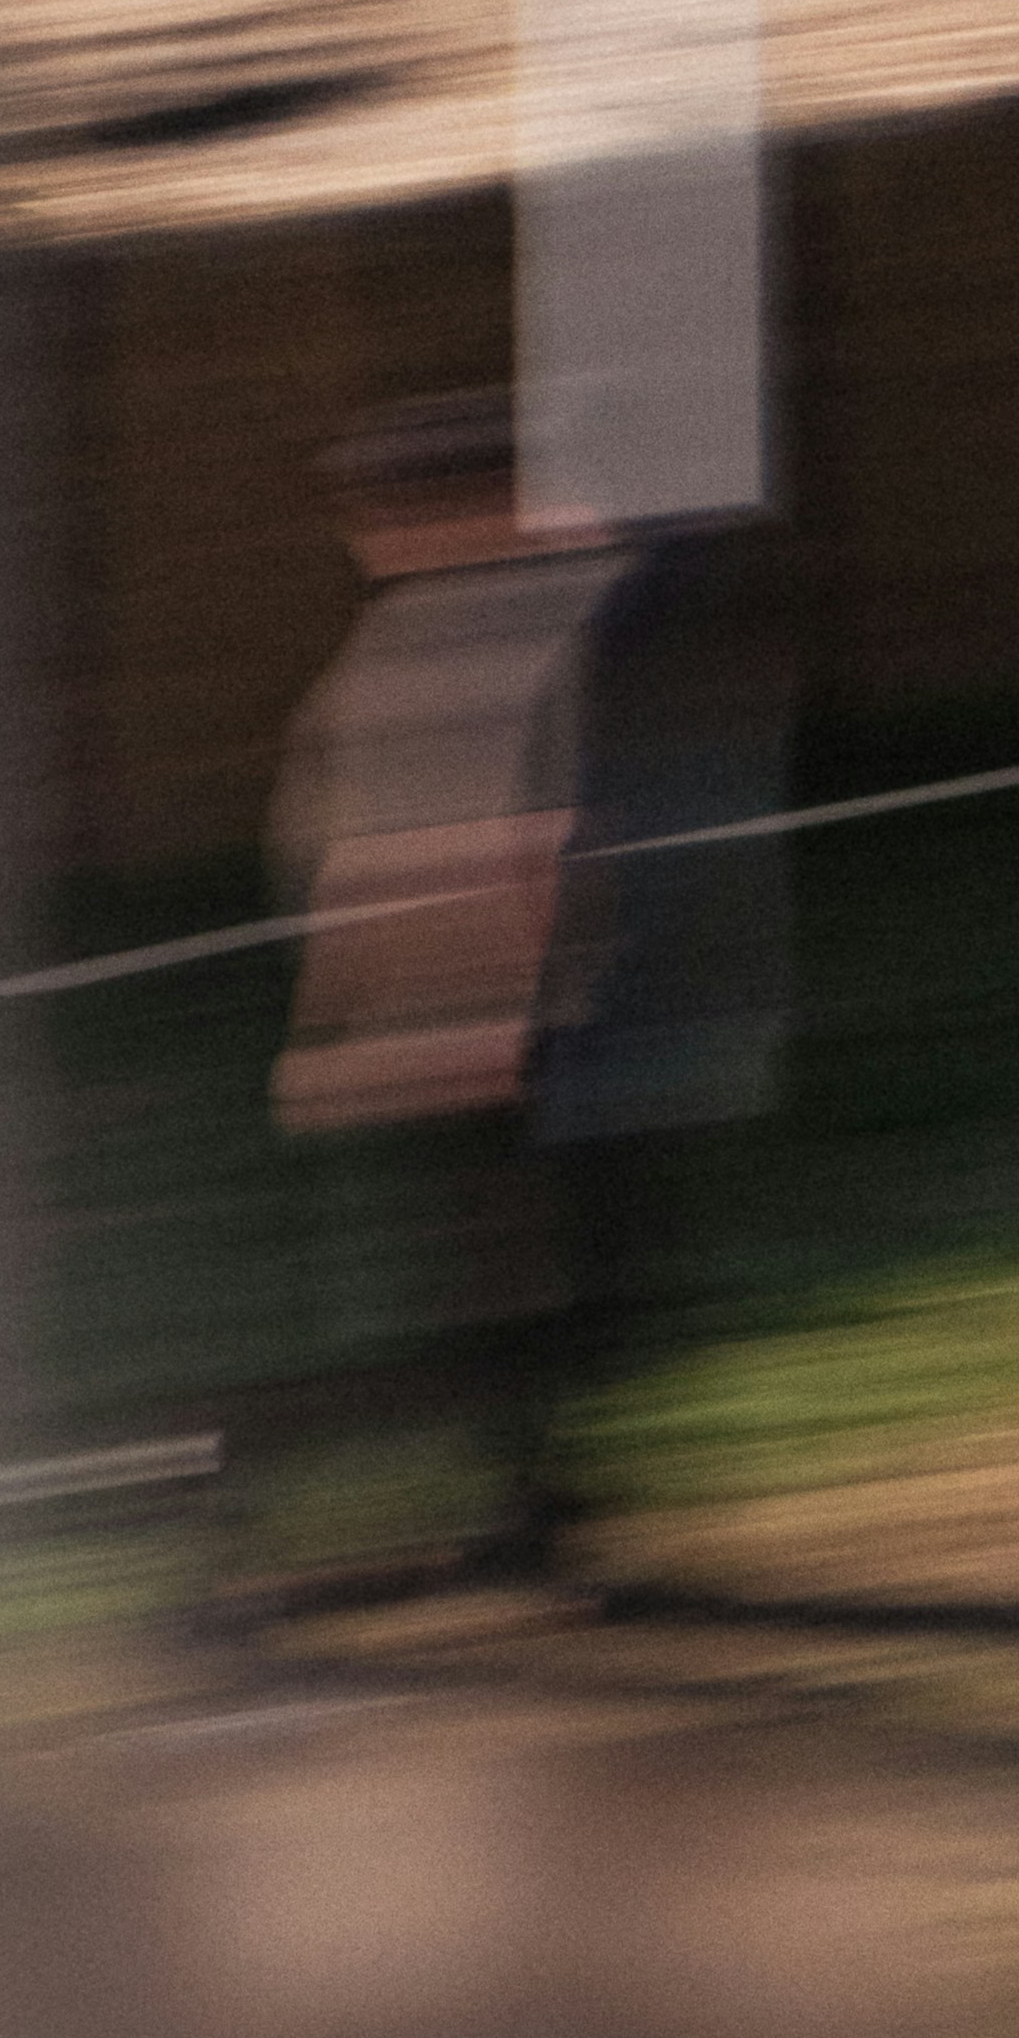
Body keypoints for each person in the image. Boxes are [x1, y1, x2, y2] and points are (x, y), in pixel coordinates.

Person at [229, 392, 791, 1602]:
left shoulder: (458, 634)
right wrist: (428, 1020)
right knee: (518, 1299)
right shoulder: (452, 639)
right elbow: (433, 850)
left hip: (489, 1030)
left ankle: (529, 1498)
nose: (367, 534)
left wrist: (358, 1019)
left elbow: (465, 843)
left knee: (544, 1289)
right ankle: (252, 1490)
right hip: (482, 1038)